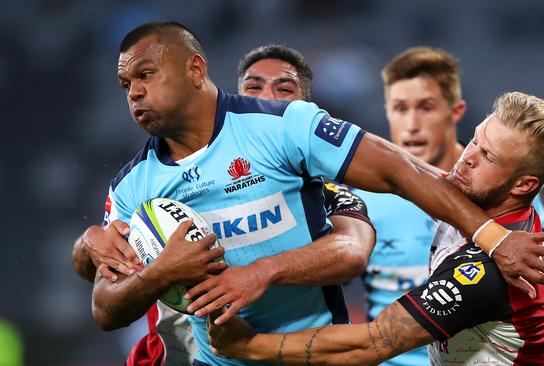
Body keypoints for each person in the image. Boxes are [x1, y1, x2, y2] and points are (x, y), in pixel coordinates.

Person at [76, 21, 544, 365]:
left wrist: (255, 305)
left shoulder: (295, 143)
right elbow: (105, 306)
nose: (462, 157)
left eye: (145, 75)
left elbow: (366, 311)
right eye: (125, 83)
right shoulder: (132, 187)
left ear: (196, 69)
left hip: (299, 354)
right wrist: (96, 251)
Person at [208, 91, 544, 365]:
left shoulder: (487, 273)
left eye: (488, 156)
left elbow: (372, 344)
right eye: (476, 140)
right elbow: (404, 172)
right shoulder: (483, 206)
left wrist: (249, 346)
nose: (466, 158)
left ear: (523, 186)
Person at [72, 43, 376, 366]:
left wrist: (261, 273)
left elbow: (352, 254)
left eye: (284, 90)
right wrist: (87, 242)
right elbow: (101, 270)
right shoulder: (162, 175)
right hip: (175, 355)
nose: (267, 99)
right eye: (253, 88)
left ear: (305, 109)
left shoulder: (328, 194)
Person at [356, 47, 544, 365]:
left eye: (426, 108)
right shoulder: (366, 197)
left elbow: (541, 293)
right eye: (399, 108)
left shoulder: (507, 199)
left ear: (456, 111)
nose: (411, 124)